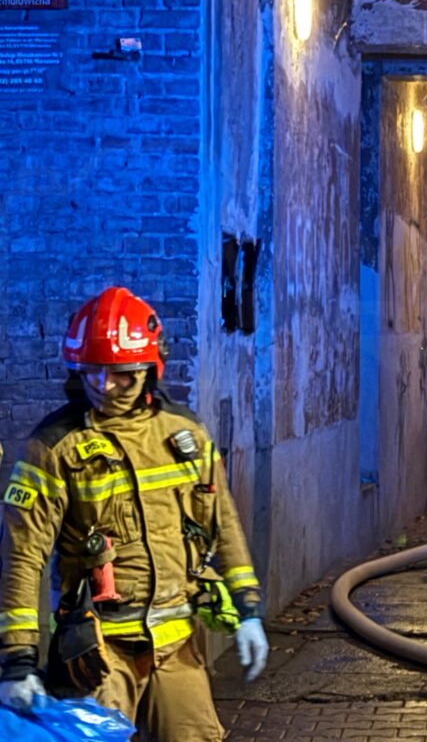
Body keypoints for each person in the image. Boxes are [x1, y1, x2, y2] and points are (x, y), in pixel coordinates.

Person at [0, 287, 268, 741]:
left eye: (120, 374)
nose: (104, 385)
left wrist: (249, 610)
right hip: (95, 652)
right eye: (92, 372)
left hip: (175, 643)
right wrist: (18, 660)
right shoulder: (54, 447)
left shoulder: (184, 435)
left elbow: (224, 525)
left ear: (149, 367)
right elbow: (22, 558)